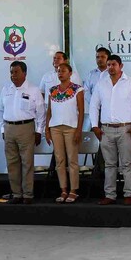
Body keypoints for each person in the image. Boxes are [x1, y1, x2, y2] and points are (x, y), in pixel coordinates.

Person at [90, 55, 131, 206]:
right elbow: (94, 105)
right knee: (109, 165)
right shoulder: (101, 83)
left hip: (125, 129)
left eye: (113, 64)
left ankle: (129, 194)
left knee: (127, 163)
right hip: (106, 129)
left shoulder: (130, 83)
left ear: (121, 66)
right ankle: (110, 195)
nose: (110, 67)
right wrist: (95, 126)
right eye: (108, 65)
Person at [0, 61, 46, 204]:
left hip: (26, 128)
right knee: (12, 163)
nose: (13, 75)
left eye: (16, 72)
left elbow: (41, 113)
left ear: (24, 73)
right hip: (9, 128)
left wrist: (39, 131)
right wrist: (2, 128)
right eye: (11, 72)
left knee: (27, 162)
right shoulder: (6, 89)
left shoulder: (33, 89)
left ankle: (28, 195)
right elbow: (0, 110)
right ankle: (16, 193)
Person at [44, 63, 85, 204]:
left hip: (71, 127)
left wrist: (79, 129)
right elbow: (49, 111)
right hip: (55, 127)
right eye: (58, 71)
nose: (60, 73)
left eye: (63, 71)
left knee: (72, 160)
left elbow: (81, 112)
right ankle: (63, 189)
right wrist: (46, 129)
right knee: (60, 160)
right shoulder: (52, 90)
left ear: (70, 73)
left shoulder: (77, 89)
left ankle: (74, 190)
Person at [83, 47, 111, 125]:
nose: (100, 59)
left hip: (109, 110)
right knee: (95, 133)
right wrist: (93, 101)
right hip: (94, 109)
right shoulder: (91, 74)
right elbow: (86, 90)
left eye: (103, 57)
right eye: (97, 57)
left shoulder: (112, 74)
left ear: (108, 59)